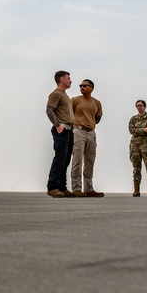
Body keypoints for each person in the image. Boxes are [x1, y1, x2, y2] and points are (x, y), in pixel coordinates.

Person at [70, 79, 104, 197]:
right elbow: (68, 113)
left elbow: (98, 118)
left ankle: (89, 188)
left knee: (90, 160)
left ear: (92, 88)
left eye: (85, 86)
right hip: (78, 130)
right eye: (81, 86)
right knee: (77, 160)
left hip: (91, 132)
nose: (82, 87)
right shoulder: (75, 100)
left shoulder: (97, 103)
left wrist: (90, 123)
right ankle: (76, 188)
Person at [45, 70, 74, 198]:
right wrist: (58, 125)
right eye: (68, 78)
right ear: (62, 79)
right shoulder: (56, 94)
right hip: (61, 129)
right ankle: (52, 187)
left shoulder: (65, 95)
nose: (70, 80)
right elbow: (49, 110)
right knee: (60, 158)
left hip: (69, 130)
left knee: (66, 160)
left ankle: (62, 187)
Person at [129, 99, 147, 197]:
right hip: (135, 146)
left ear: (145, 106)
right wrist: (142, 129)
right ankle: (136, 190)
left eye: (140, 105)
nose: (139, 107)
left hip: (146, 146)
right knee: (136, 168)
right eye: (137, 106)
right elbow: (131, 130)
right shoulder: (133, 119)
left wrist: (139, 130)